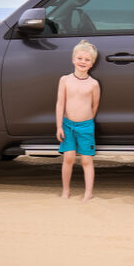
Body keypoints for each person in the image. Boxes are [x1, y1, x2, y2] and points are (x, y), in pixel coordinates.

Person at [55, 39, 101, 201]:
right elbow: (60, 103)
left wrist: (87, 121)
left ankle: (89, 193)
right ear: (73, 59)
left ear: (92, 63)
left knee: (86, 160)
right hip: (67, 125)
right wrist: (59, 126)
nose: (83, 62)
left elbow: (94, 106)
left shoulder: (93, 84)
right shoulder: (65, 80)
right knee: (68, 157)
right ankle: (65, 191)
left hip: (86, 126)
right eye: (80, 58)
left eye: (87, 60)